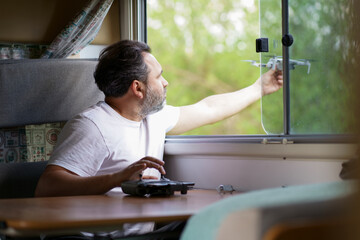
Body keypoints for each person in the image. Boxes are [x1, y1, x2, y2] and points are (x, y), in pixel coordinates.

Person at [35, 40, 282, 237]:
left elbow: (208, 109)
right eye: (159, 76)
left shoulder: (154, 117)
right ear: (138, 88)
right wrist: (116, 178)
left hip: (138, 234)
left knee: (209, 227)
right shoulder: (91, 126)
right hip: (89, 237)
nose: (166, 83)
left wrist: (259, 88)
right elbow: (47, 188)